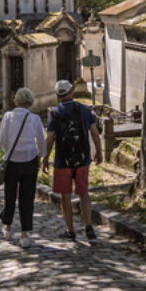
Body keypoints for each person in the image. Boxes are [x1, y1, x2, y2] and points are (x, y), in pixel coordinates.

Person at [42, 79, 102, 242]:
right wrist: (99, 151)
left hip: (63, 160)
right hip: (82, 158)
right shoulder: (84, 109)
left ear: (58, 95)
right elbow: (95, 132)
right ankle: (89, 227)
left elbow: (50, 138)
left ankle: (71, 230)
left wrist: (45, 158)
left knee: (65, 196)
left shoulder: (54, 112)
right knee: (84, 193)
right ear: (71, 92)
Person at [0, 87, 46, 248]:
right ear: (30, 101)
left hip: (12, 162)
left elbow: (1, 140)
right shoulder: (35, 119)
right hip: (30, 160)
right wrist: (41, 156)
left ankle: (7, 227)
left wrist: (9, 151)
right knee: (27, 199)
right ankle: (25, 234)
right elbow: (41, 141)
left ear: (16, 100)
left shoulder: (8, 116)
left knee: (9, 196)